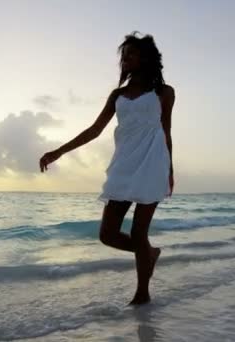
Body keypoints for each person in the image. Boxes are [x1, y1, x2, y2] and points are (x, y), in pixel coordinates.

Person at [39, 31, 175, 306]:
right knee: (107, 234)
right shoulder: (118, 95)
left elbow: (166, 131)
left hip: (152, 163)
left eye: (132, 54)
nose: (126, 59)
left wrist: (170, 169)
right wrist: (58, 151)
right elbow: (94, 130)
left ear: (146, 57)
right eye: (124, 55)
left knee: (138, 232)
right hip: (123, 165)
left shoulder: (164, 92)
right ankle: (149, 254)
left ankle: (142, 294)